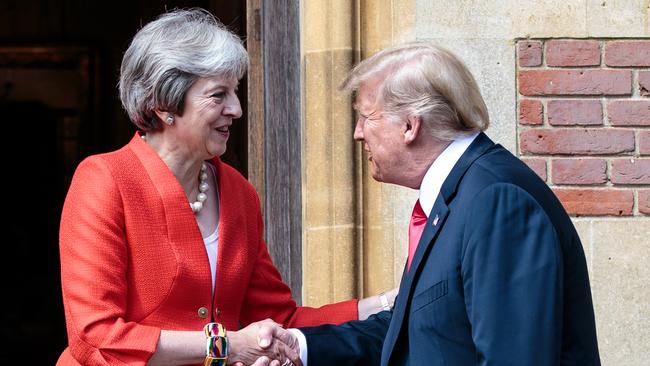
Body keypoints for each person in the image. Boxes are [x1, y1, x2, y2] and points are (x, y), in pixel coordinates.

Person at [56, 8, 397, 366]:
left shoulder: (238, 192)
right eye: (218, 95)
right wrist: (226, 347)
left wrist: (381, 305)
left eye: (235, 92)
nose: (236, 109)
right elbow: (95, 337)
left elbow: (279, 320)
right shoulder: (105, 180)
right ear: (163, 105)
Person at [253, 42, 601, 365]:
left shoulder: (495, 201)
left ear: (409, 125)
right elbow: (411, 331)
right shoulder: (459, 195)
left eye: (366, 116)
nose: (358, 132)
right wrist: (301, 345)